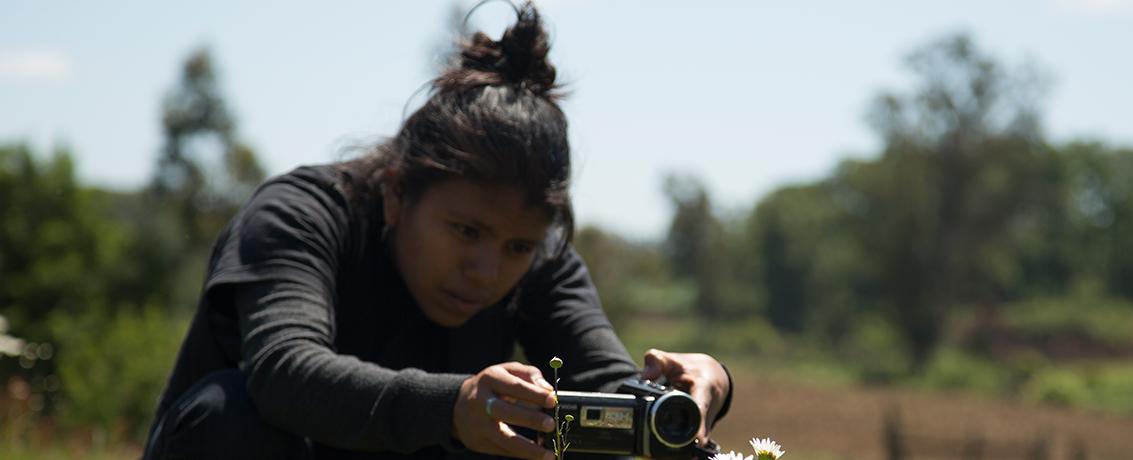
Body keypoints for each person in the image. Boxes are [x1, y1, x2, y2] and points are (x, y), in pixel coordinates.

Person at [142, 3, 732, 460]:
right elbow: (285, 371)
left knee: (541, 432)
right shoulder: (302, 214)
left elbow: (604, 385)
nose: (487, 271)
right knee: (231, 412)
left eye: (516, 248)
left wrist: (697, 388)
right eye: (466, 231)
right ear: (398, 192)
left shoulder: (539, 260)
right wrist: (454, 406)